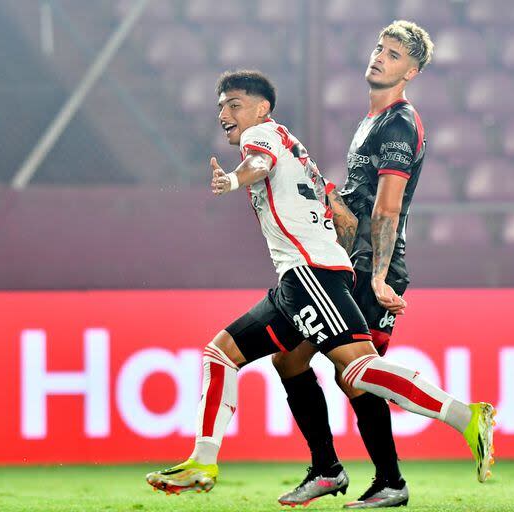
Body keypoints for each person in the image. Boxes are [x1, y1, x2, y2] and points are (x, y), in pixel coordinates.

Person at [144, 70, 495, 502]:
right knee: (238, 355)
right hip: (307, 275)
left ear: (261, 108)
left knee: (358, 371)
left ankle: (466, 417)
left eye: (234, 104)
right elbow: (335, 210)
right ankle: (212, 460)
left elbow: (258, 163)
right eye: (220, 106)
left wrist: (233, 179)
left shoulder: (264, 135)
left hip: (309, 275)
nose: (224, 113)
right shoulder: (291, 144)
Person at [273, 21, 477, 509]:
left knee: (351, 371)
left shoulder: (400, 125)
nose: (379, 57)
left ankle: (382, 478)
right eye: (378, 48)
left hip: (372, 268)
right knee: (297, 360)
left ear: (412, 70)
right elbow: (363, 203)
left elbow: (387, 208)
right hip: (351, 261)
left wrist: (380, 275)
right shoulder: (371, 122)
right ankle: (338, 472)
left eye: (393, 53)